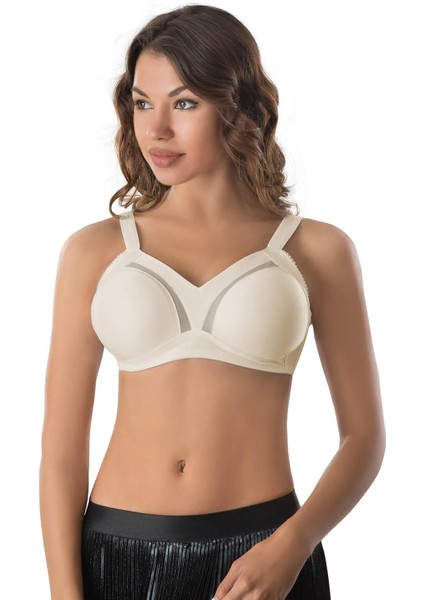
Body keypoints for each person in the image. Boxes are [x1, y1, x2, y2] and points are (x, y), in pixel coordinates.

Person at [39, 4, 386, 599]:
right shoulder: (93, 252)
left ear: (237, 105)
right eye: (142, 103)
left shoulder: (317, 250)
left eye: (184, 103)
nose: (156, 129)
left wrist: (295, 543)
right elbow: (60, 453)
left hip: (263, 557)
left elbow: (365, 437)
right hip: (117, 553)